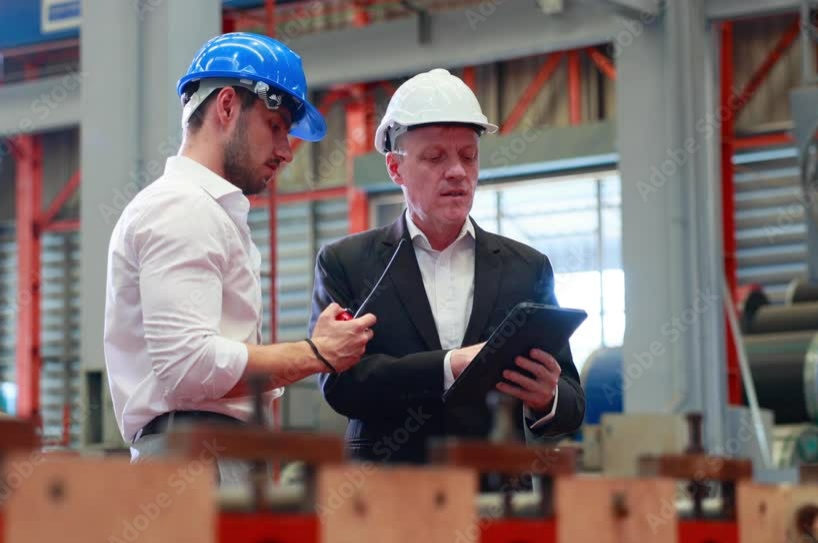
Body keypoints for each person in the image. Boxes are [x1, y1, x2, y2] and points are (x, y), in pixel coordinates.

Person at [103, 33, 376, 485]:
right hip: (193, 459)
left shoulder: (206, 212)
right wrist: (316, 353)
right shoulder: (182, 208)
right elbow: (190, 369)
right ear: (227, 107)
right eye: (276, 126)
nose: (287, 151)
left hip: (211, 454)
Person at [308, 69, 583, 478]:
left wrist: (548, 398)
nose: (456, 171)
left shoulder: (526, 268)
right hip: (384, 498)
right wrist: (450, 365)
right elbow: (341, 386)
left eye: (468, 156)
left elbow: (572, 403)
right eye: (436, 157)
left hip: (495, 497)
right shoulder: (348, 263)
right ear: (395, 169)